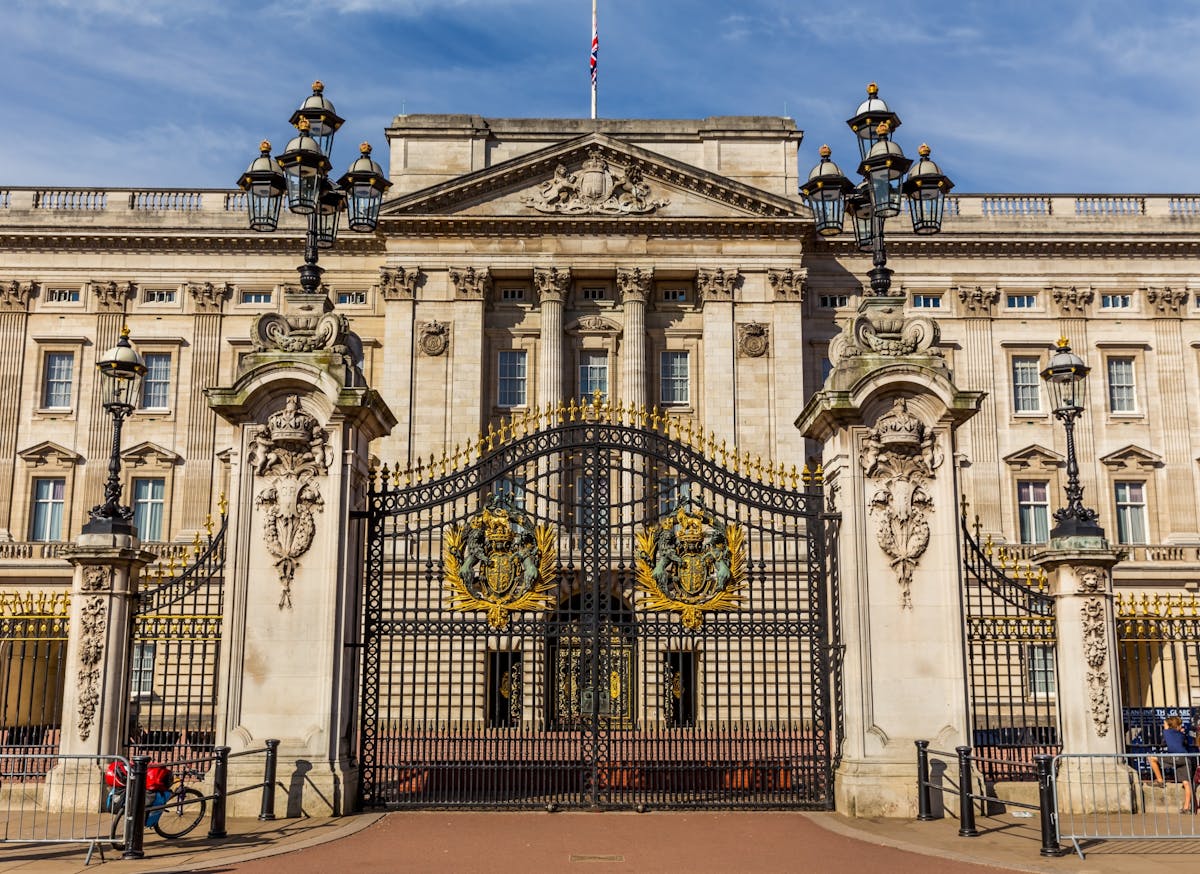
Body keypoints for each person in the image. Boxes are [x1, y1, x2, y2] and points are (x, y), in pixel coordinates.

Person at [1149, 716, 1196, 813]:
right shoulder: (1181, 734)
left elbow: (1163, 744)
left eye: (1165, 724)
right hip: (1186, 758)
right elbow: (1185, 743)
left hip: (1175, 757)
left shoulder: (1166, 733)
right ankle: (1186, 808)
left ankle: (1160, 780)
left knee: (1152, 758)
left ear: (1169, 725)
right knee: (1187, 783)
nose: (1163, 725)